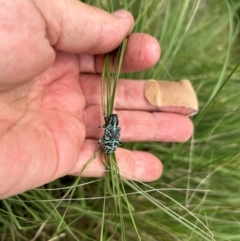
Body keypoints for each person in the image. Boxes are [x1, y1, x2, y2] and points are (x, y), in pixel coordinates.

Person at [0, 0, 193, 199]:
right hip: (105, 143)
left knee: (106, 141)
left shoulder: (111, 129)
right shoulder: (112, 129)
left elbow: (110, 134)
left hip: (105, 143)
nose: (111, 121)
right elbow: (110, 134)